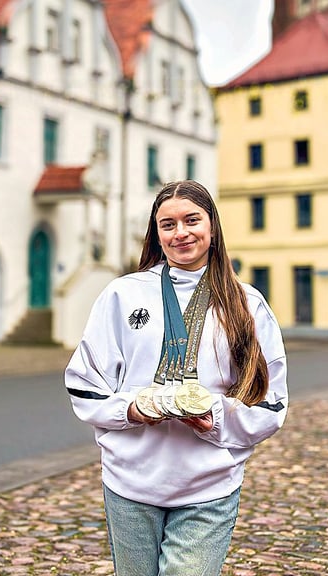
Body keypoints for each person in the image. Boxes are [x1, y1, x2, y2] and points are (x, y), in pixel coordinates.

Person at [65, 180, 288, 576]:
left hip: (209, 486)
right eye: (167, 224)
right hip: (130, 482)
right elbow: (84, 383)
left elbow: (271, 403)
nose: (180, 232)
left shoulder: (246, 303)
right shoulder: (122, 295)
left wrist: (215, 418)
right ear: (156, 233)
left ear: (212, 226)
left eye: (191, 220)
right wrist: (131, 410)